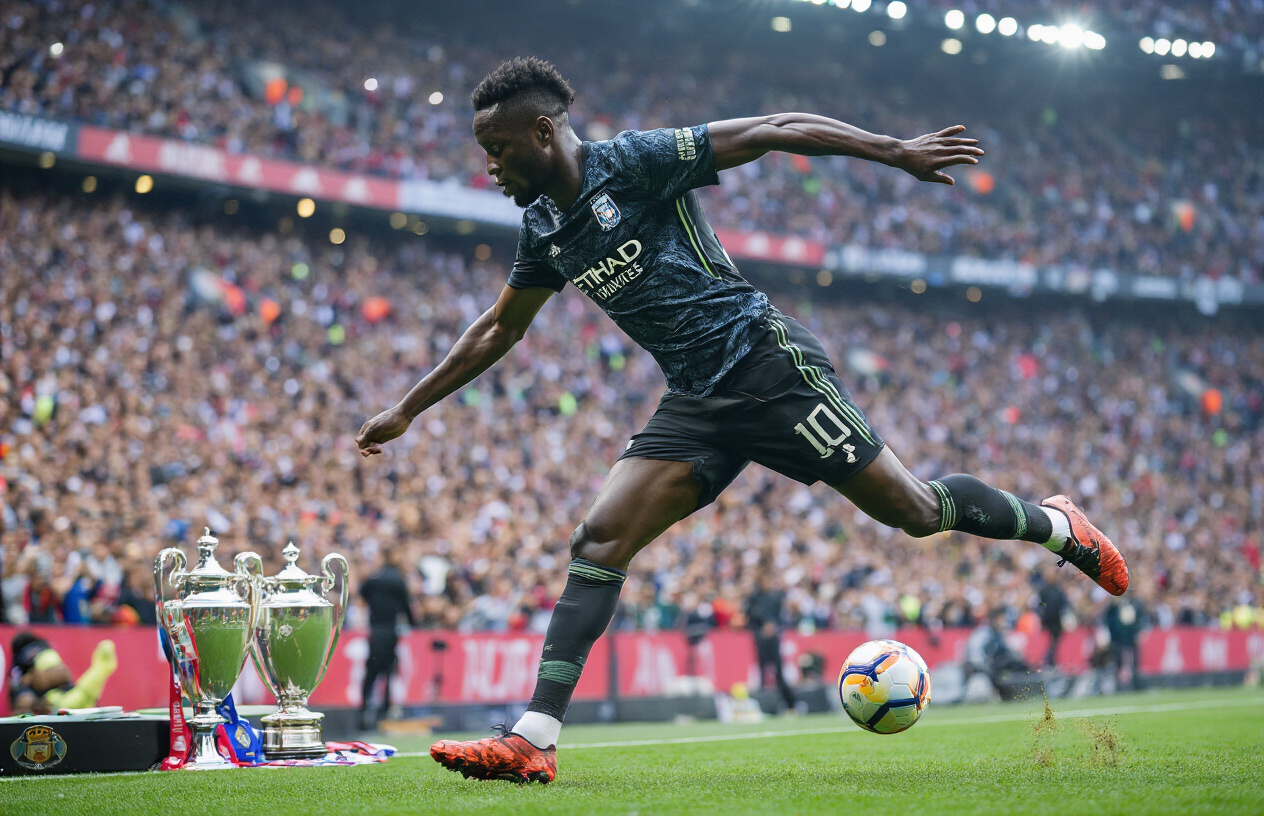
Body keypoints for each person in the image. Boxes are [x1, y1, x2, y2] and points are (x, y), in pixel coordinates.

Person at [355, 57, 1130, 783]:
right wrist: (405, 409)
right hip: (695, 400)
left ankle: (1058, 526)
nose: (488, 165)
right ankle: (534, 738)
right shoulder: (544, 229)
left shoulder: (635, 162)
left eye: (496, 147)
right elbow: (499, 328)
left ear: (542, 133)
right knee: (598, 540)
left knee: (916, 511)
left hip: (766, 368)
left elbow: (773, 128)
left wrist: (892, 151)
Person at [357, 549, 416, 730]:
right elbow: (406, 605)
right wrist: (414, 623)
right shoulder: (398, 580)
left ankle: (364, 709)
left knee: (372, 670)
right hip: (391, 630)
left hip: (376, 630)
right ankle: (386, 709)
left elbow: (362, 594)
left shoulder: (374, 579)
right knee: (388, 669)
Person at [744, 570, 796, 713]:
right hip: (761, 639)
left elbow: (779, 617)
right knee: (762, 670)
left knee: (778, 671)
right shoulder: (755, 598)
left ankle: (788, 703)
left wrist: (772, 626)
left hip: (773, 639)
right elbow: (751, 615)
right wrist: (763, 625)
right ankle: (764, 705)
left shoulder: (775, 597)